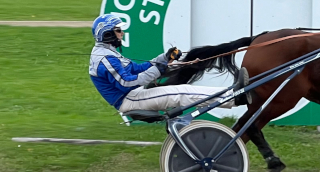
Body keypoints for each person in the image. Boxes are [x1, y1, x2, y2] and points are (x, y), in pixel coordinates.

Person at [89, 14, 250, 123]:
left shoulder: (107, 52)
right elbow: (127, 82)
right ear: (107, 34)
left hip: (132, 95)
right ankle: (234, 97)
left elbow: (137, 68)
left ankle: (232, 95)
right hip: (129, 99)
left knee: (183, 91)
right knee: (181, 93)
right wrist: (159, 69)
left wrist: (163, 58)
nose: (122, 33)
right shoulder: (105, 58)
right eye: (118, 30)